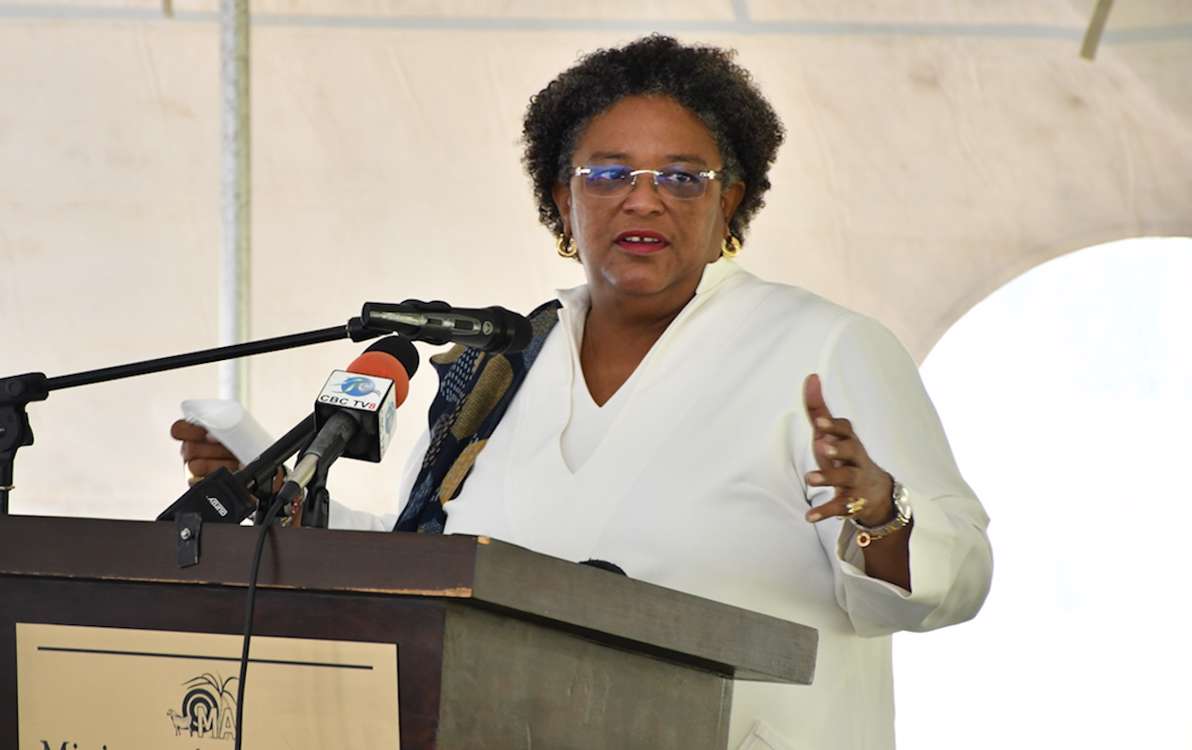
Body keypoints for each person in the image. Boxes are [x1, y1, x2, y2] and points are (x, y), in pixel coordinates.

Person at [172, 35, 991, 750]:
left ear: (729, 203)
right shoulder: (498, 365)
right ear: (562, 201)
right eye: (608, 173)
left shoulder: (824, 348)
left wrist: (882, 513)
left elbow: (955, 577)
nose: (644, 197)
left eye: (683, 177)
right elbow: (427, 564)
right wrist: (283, 496)